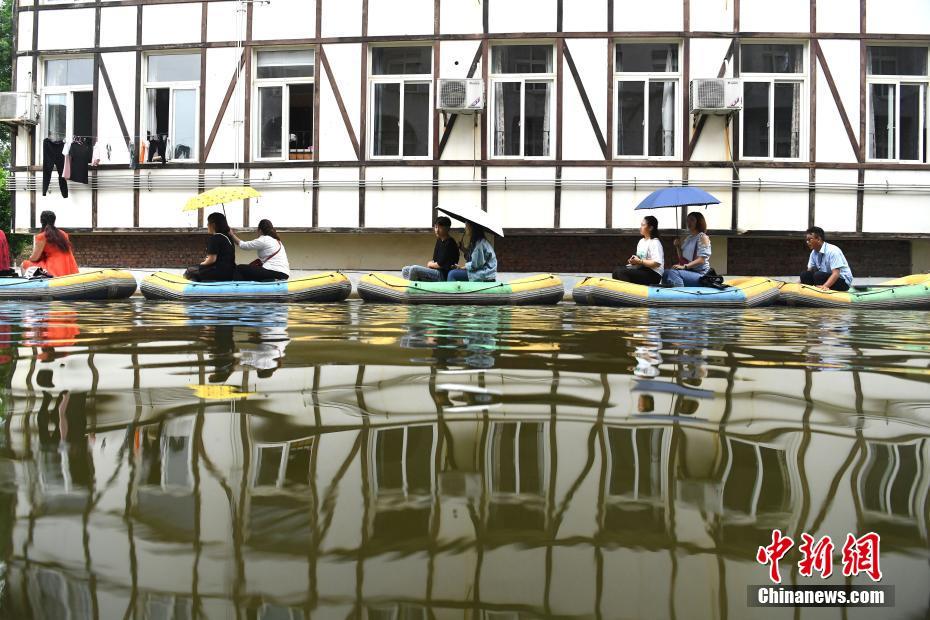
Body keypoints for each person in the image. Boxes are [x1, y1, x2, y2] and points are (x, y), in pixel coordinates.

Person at [21, 210, 79, 277]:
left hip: (53, 270)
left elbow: (34, 258)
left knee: (24, 264)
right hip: (70, 269)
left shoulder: (42, 236)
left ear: (41, 221)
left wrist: (30, 257)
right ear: (54, 220)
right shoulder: (63, 234)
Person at [402, 216, 460, 281]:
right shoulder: (439, 240)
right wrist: (431, 264)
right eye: (436, 227)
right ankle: (417, 282)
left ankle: (412, 285)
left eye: (440, 228)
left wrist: (430, 264)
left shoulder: (450, 243)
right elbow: (434, 259)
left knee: (414, 269)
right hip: (435, 270)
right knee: (405, 270)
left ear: (447, 228)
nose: (437, 230)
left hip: (442, 275)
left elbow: (440, 265)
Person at [663, 212, 712, 287]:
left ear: (699, 222)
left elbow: (701, 260)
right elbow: (682, 259)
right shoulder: (689, 238)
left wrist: (684, 267)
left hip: (701, 275)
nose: (689, 222)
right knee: (666, 273)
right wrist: (677, 246)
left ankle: (680, 293)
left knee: (673, 273)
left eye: (692, 220)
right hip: (689, 271)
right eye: (687, 220)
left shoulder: (703, 237)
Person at [185, 211, 236, 282]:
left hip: (219, 272)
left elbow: (211, 260)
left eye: (208, 222)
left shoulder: (215, 238)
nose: (207, 225)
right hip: (231, 272)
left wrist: (201, 264)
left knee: (189, 271)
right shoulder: (228, 237)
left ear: (213, 225)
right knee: (197, 270)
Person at [613, 216, 664, 285]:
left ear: (650, 228)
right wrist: (634, 261)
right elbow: (639, 259)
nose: (640, 227)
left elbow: (657, 263)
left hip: (653, 274)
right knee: (616, 271)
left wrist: (640, 261)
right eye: (641, 225)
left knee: (621, 272)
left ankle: (630, 291)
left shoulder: (655, 242)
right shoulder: (641, 241)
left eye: (643, 225)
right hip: (642, 269)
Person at [801, 226, 853, 291]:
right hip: (825, 278)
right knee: (805, 274)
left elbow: (836, 274)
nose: (807, 242)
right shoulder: (813, 253)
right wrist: (798, 283)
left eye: (810, 239)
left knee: (818, 275)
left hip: (843, 281)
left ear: (818, 239)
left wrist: (824, 286)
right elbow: (809, 271)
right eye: (807, 240)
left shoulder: (833, 251)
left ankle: (821, 293)